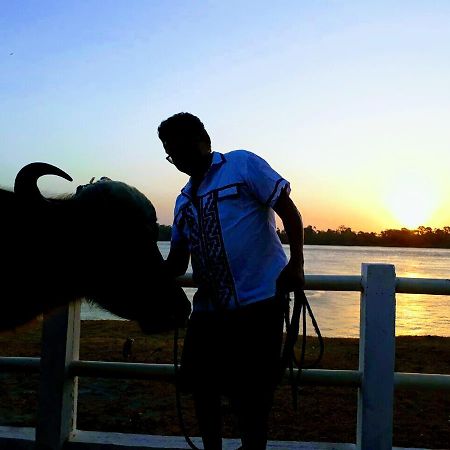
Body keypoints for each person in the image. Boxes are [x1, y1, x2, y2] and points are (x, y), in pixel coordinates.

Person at [158, 112, 304, 450]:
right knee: (202, 389)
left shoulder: (242, 165)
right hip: (209, 310)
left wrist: (296, 264)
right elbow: (177, 263)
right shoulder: (182, 201)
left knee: (251, 396)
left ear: (203, 140)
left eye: (180, 148)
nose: (178, 158)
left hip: (260, 302)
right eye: (170, 153)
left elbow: (289, 211)